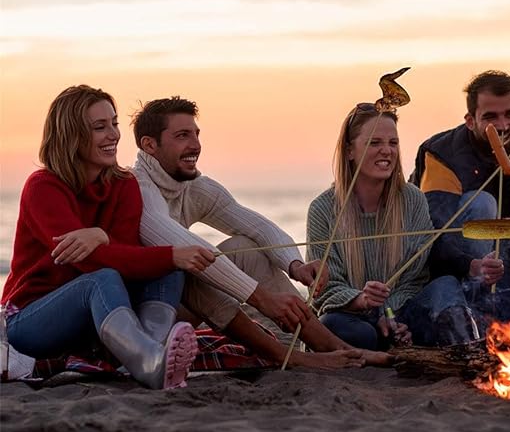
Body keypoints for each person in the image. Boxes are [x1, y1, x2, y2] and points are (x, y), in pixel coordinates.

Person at [131, 97, 387, 368]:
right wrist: (264, 301)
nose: (195, 145)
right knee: (193, 272)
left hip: (177, 308)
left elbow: (257, 226)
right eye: (182, 136)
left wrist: (295, 265)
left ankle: (334, 347)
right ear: (149, 145)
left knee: (246, 249)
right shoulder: (138, 187)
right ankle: (290, 357)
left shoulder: (192, 187)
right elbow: (187, 247)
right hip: (139, 317)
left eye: (196, 134)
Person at [1, 85, 214, 389]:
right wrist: (169, 253)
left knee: (168, 270)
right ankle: (148, 362)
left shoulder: (124, 184)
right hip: (30, 320)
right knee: (102, 278)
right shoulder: (43, 187)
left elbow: (126, 258)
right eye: (100, 127)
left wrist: (103, 237)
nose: (113, 134)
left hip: (94, 321)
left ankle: (150, 354)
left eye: (114, 123)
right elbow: (89, 262)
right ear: (71, 134)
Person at [306, 102, 497, 350]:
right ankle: (382, 342)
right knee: (339, 327)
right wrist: (364, 301)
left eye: (393, 143)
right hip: (351, 316)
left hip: (401, 313)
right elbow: (324, 289)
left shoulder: (412, 199)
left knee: (445, 286)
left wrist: (389, 314)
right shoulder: (322, 209)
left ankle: (470, 353)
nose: (387, 151)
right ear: (350, 150)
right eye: (374, 143)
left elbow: (416, 278)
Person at [410, 70, 510, 322]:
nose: (503, 126)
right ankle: (477, 309)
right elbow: (435, 234)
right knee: (484, 203)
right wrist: (471, 265)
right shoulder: (441, 154)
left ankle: (504, 311)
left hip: (499, 255)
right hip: (447, 262)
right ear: (470, 121)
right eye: (490, 117)